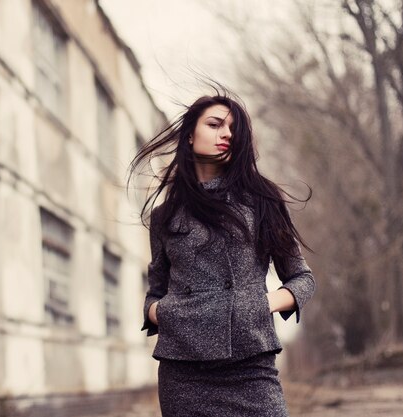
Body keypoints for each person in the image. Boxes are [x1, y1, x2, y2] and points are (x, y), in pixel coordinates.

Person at [128, 90, 316, 416]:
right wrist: (163, 312)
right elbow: (154, 293)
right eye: (215, 124)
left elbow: (302, 278)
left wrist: (261, 303)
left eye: (232, 129)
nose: (226, 134)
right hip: (184, 371)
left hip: (251, 364)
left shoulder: (263, 201)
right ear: (189, 136)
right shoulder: (164, 217)